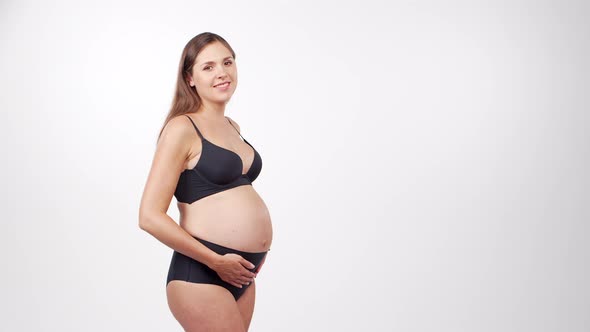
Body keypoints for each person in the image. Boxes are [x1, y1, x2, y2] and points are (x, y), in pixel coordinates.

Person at [138, 32, 273, 332]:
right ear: (190, 78)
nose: (222, 72)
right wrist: (216, 262)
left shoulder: (232, 126)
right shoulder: (182, 128)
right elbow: (149, 217)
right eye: (208, 67)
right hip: (201, 273)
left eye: (227, 62)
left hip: (241, 274)